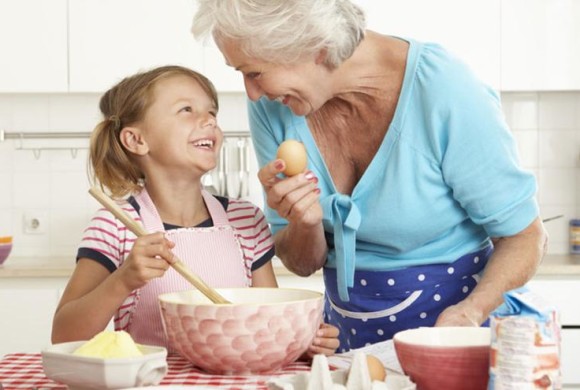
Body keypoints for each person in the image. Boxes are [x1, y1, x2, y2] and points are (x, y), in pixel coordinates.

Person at [192, 0, 549, 352]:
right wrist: (304, 221)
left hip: (457, 336)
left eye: (254, 72)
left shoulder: (444, 90)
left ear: (315, 48)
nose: (251, 93)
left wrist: (469, 313)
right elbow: (302, 264)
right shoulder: (276, 107)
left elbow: (524, 236)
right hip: (353, 336)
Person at [51, 65, 339, 357]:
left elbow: (271, 324)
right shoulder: (115, 226)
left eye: (212, 112)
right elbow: (64, 336)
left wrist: (303, 341)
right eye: (186, 109)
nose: (209, 120)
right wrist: (123, 279)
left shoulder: (246, 220)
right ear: (137, 140)